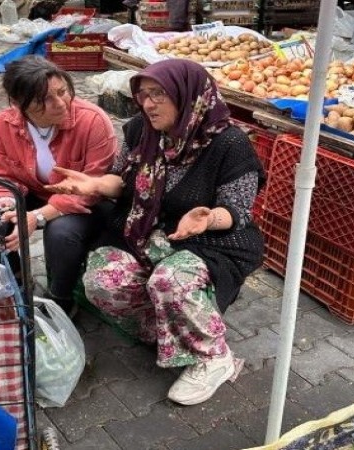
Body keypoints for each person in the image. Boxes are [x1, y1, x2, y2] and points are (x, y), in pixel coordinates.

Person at [46, 59, 265, 406]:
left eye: (159, 94)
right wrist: (96, 184)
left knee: (169, 280)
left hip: (208, 239)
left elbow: (237, 211)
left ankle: (213, 356)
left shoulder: (228, 143)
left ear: (187, 95)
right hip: (143, 228)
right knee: (103, 281)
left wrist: (207, 219)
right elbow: (122, 179)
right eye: (143, 94)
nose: (148, 104)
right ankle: (168, 330)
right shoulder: (140, 129)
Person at [0, 55, 117, 314]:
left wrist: (37, 216)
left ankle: (61, 298)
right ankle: (17, 280)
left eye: (62, 92)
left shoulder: (93, 122)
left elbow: (94, 186)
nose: (60, 104)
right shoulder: (2, 126)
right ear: (17, 103)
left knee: (61, 232)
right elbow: (1, 176)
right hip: (32, 192)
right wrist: (6, 200)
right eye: (44, 99)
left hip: (83, 200)